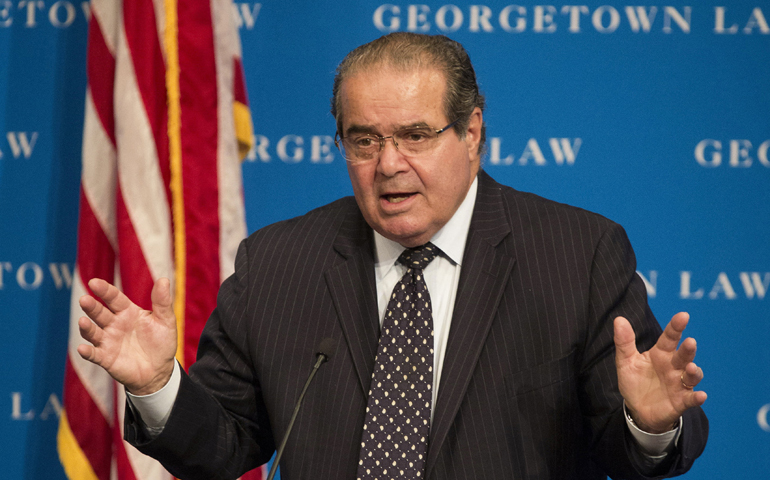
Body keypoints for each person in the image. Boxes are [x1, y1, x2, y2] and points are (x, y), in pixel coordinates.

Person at [77, 33, 708, 480]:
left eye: (415, 135)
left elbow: (631, 453)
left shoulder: (577, 254)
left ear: (472, 133)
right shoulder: (276, 265)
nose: (388, 165)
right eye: (364, 140)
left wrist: (647, 425)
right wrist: (160, 387)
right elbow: (219, 451)